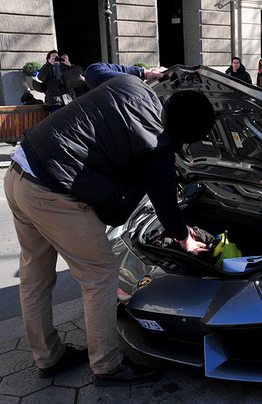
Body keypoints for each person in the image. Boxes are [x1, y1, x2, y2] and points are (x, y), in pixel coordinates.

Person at [4, 62, 213, 387]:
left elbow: (94, 70)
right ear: (186, 137)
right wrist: (185, 237)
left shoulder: (134, 86)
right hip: (51, 189)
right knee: (100, 274)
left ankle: (48, 357)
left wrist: (144, 72)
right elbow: (167, 209)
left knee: (35, 276)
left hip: (20, 169)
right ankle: (107, 365)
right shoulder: (158, 147)